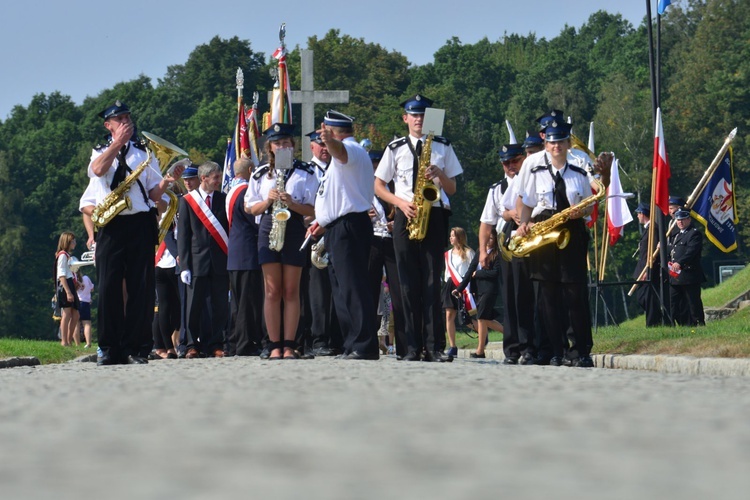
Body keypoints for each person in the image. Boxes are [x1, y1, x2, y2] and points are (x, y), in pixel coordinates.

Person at [86, 101, 183, 365]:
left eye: (128, 117)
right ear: (108, 125)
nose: (126, 122)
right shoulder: (99, 151)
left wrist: (167, 181)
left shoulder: (143, 153)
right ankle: (108, 347)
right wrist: (117, 143)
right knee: (108, 287)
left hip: (140, 222)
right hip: (111, 225)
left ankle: (137, 348)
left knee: (141, 288)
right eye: (120, 119)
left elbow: (153, 193)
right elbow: (98, 171)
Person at [374, 94, 463, 362]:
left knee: (431, 281)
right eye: (414, 115)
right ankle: (409, 346)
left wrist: (439, 174)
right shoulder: (395, 147)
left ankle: (433, 346)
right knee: (407, 285)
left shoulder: (443, 146)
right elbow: (378, 185)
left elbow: (452, 188)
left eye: (423, 115)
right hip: (405, 215)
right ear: (405, 118)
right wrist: (400, 203)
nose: (418, 119)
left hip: (434, 216)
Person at [515, 120, 595, 367]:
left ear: (568, 143)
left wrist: (580, 212)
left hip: (572, 227)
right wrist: (523, 225)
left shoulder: (580, 167)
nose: (556, 146)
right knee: (547, 295)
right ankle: (555, 351)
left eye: (560, 141)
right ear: (545, 143)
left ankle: (579, 350)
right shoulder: (533, 165)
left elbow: (591, 204)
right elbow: (526, 200)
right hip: (543, 228)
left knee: (574, 292)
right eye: (551, 141)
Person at [246, 123, 318, 360]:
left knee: (290, 290)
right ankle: (273, 344)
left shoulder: (305, 172)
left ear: (293, 145)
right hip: (268, 226)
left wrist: (292, 203)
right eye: (278, 143)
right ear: (271, 147)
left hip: (295, 226)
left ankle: (289, 344)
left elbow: (315, 208)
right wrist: (268, 200)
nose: (282, 146)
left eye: (286, 142)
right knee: (272, 290)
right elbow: (250, 208)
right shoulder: (260, 173)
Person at [309, 111, 378, 360]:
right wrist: (323, 222)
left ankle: (364, 344)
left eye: (326, 131)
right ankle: (351, 342)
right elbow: (337, 196)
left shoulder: (351, 149)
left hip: (350, 226)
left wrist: (329, 141)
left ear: (334, 131)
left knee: (353, 286)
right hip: (337, 227)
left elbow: (340, 151)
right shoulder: (341, 156)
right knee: (341, 289)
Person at [481, 143, 535, 364]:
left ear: (523, 159)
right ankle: (512, 349)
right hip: (508, 245)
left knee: (529, 296)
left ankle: (531, 345)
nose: (511, 166)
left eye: (515, 161)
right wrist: (484, 251)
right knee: (510, 297)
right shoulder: (496, 189)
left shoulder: (534, 179)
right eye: (506, 163)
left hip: (532, 240)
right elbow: (486, 222)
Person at [177, 161, 230, 359]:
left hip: (219, 261)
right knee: (193, 306)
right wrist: (184, 266)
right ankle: (191, 345)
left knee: (219, 305)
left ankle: (216, 343)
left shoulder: (223, 199)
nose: (218, 181)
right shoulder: (188, 201)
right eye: (215, 177)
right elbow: (183, 234)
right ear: (204, 179)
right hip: (196, 262)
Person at [305, 130, 342, 356]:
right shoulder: (307, 171)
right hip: (315, 233)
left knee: (337, 286)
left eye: (327, 145)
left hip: (336, 231)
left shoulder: (338, 168)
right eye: (320, 145)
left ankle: (337, 337)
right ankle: (319, 338)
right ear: (312, 147)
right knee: (318, 290)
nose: (325, 149)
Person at [366, 148, 405, 357]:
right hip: (371, 240)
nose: (374, 169)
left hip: (390, 240)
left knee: (398, 292)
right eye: (372, 166)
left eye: (377, 165)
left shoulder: (393, 188)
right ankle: (369, 342)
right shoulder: (363, 187)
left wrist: (395, 223)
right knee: (370, 292)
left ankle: (404, 344)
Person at [226, 158, 264, 356]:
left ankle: (234, 342)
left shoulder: (231, 191)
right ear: (251, 170)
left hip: (236, 254)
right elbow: (254, 219)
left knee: (238, 303)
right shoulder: (245, 192)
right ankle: (246, 343)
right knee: (248, 303)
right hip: (248, 253)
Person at [454, 228, 502, 358]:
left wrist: (479, 273)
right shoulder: (480, 251)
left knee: (481, 318)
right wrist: (459, 288)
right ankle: (510, 334)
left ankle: (480, 351)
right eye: (487, 238)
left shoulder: (497, 254)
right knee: (486, 319)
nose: (489, 241)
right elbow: (470, 271)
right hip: (479, 290)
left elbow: (495, 273)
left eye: (491, 238)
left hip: (490, 289)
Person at [668, 209, 706, 326]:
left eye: (683, 219)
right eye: (678, 220)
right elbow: (674, 251)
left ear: (688, 219)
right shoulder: (677, 235)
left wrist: (680, 262)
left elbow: (691, 251)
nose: (680, 222)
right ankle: (684, 324)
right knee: (674, 302)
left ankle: (699, 323)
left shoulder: (694, 233)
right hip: (676, 275)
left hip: (689, 274)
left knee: (693, 302)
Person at [442, 227, 475, 357]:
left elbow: (472, 270)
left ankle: (483, 335)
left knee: (466, 318)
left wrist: (467, 288)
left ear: (459, 237)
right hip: (450, 285)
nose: (451, 238)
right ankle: (452, 346)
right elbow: (447, 272)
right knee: (449, 315)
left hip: (464, 286)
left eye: (453, 236)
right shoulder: (447, 254)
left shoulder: (469, 252)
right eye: (450, 235)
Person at [633, 202, 666, 327]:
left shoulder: (653, 229)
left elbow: (652, 251)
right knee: (642, 298)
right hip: (643, 268)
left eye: (638, 214)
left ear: (642, 214)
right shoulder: (648, 228)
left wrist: (647, 270)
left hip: (649, 269)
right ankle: (655, 320)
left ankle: (653, 323)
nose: (637, 216)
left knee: (649, 298)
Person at [55, 232, 80, 347]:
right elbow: (61, 275)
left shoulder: (67, 256)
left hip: (70, 283)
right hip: (65, 286)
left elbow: (69, 273)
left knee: (75, 314)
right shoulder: (62, 255)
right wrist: (68, 292)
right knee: (66, 313)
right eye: (73, 241)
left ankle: (69, 340)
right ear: (67, 242)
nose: (75, 243)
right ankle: (64, 341)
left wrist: (77, 283)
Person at [75, 270, 94, 348]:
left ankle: (77, 344)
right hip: (85, 302)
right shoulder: (86, 278)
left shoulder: (74, 280)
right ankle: (88, 343)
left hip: (77, 302)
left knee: (76, 324)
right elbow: (92, 288)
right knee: (86, 324)